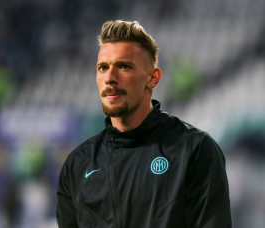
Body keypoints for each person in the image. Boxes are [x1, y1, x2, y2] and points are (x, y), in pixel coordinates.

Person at [56, 20, 232, 228]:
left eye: (124, 66)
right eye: (103, 68)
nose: (110, 78)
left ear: (153, 78)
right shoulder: (78, 164)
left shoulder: (194, 150)